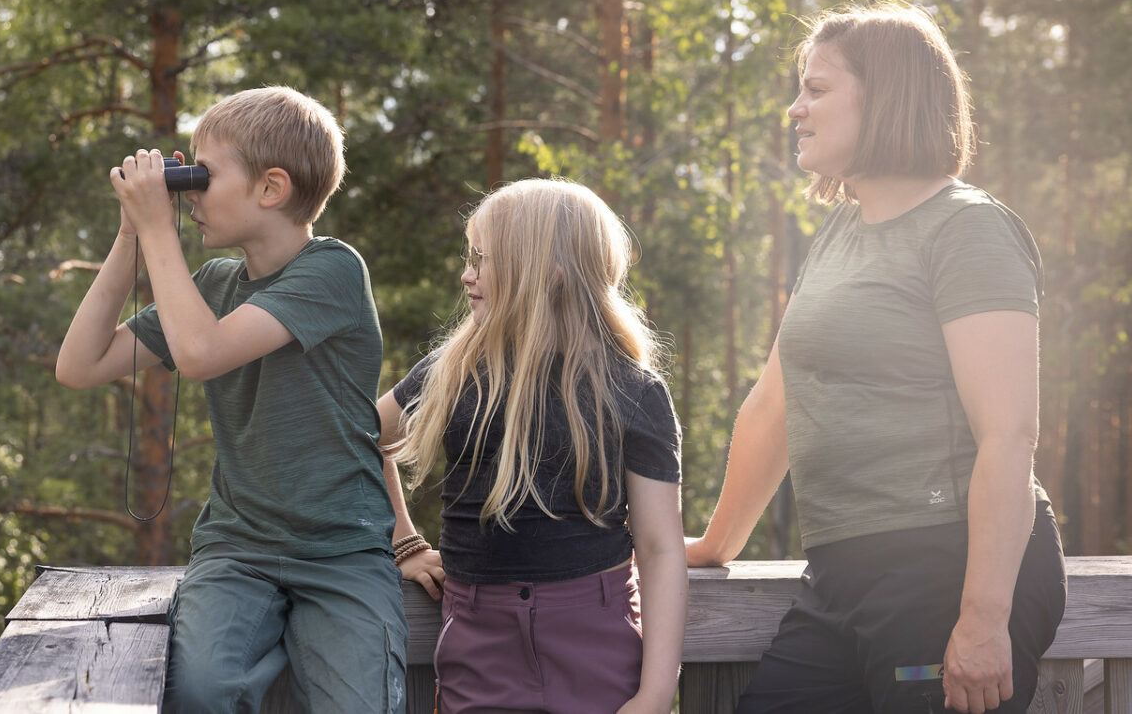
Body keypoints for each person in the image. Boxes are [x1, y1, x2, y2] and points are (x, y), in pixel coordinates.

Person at [684, 1, 1067, 714]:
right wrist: (714, 543)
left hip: (945, 569)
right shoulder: (838, 233)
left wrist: (983, 621)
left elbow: (1009, 434)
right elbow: (777, 402)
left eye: (817, 90)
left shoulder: (969, 230)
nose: (795, 109)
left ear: (887, 98)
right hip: (840, 574)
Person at [55, 87, 405, 713]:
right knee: (201, 690)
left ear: (271, 189)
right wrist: (132, 236)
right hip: (238, 547)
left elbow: (200, 353)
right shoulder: (215, 284)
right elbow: (80, 365)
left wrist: (160, 228)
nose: (187, 193)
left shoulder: (334, 272)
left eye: (203, 175)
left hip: (343, 549)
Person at [379, 178, 686, 714]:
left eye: (482, 258)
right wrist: (404, 541)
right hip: (476, 643)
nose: (466, 273)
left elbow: (660, 548)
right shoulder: (452, 371)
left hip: (595, 641)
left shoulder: (632, 390)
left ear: (549, 273)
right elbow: (358, 440)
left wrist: (656, 694)